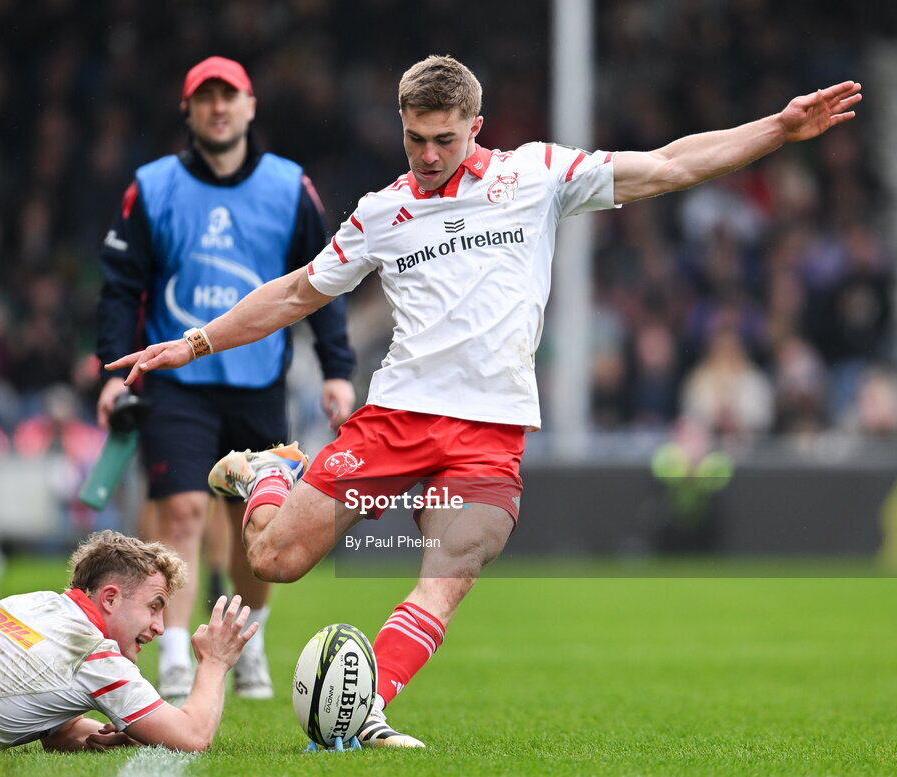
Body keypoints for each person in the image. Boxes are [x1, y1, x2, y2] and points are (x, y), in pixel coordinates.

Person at [107, 56, 862, 746]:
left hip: (490, 430)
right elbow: (297, 292)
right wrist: (195, 341)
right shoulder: (382, 210)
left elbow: (666, 165)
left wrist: (777, 130)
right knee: (272, 558)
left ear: (476, 125)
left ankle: (366, 706)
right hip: (398, 416)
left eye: (442, 139)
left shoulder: (536, 176)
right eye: (413, 140)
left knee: (453, 568)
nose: (428, 157)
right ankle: (269, 474)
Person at [95, 56, 356, 703]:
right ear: (188, 109)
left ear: (250, 105)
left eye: (228, 96)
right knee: (181, 513)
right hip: (176, 386)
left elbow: (323, 283)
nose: (217, 108)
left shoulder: (290, 187)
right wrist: (112, 371)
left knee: (258, 527)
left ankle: (250, 637)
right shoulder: (151, 188)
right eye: (205, 98)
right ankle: (177, 650)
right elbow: (121, 289)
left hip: (259, 379)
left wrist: (338, 371)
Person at [0, 530, 257, 751]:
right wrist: (215, 662)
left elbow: (61, 730)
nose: (160, 627)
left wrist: (130, 734)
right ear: (111, 598)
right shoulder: (94, 656)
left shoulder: (29, 603)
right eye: (154, 607)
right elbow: (192, 737)